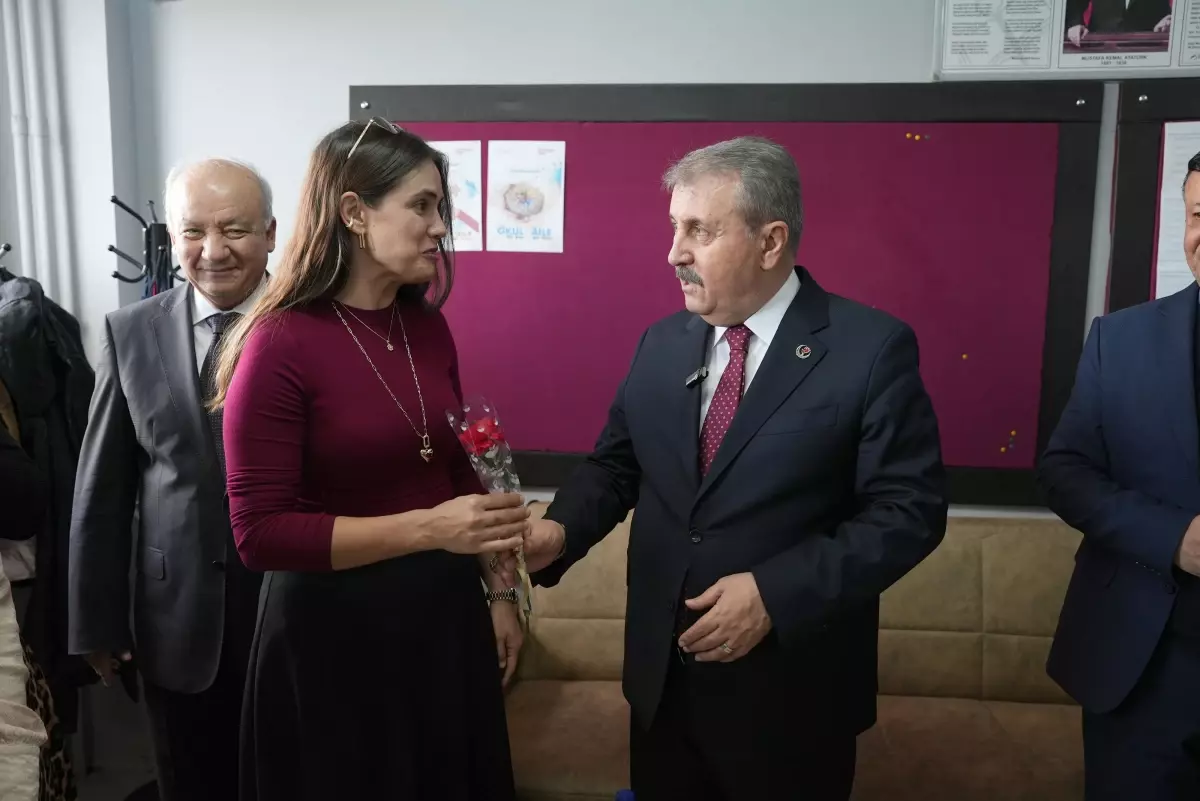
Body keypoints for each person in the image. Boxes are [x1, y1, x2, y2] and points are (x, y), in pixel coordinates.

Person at [522, 136, 948, 801]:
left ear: (770, 241)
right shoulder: (661, 343)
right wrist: (559, 531)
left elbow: (909, 513)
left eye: (700, 230)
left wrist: (776, 593)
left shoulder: (870, 350)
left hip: (792, 700)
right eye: (674, 227)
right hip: (662, 688)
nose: (675, 252)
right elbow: (616, 465)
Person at [214, 118, 528, 801]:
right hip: (333, 642)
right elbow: (260, 534)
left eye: (440, 206)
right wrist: (430, 528)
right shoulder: (278, 342)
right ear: (355, 212)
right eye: (422, 205)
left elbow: (452, 469)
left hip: (441, 624)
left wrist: (501, 592)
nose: (440, 227)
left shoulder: (425, 326)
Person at [67, 158, 276, 801]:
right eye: (193, 231)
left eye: (234, 229)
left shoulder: (311, 326)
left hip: (291, 611)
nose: (213, 251)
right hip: (174, 619)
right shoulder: (130, 331)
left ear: (270, 233)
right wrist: (95, 622)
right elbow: (102, 491)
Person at [1038, 149, 1200, 800]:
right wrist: (1175, 537)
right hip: (1146, 667)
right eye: (1198, 215)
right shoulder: (1121, 338)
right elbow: (1064, 470)